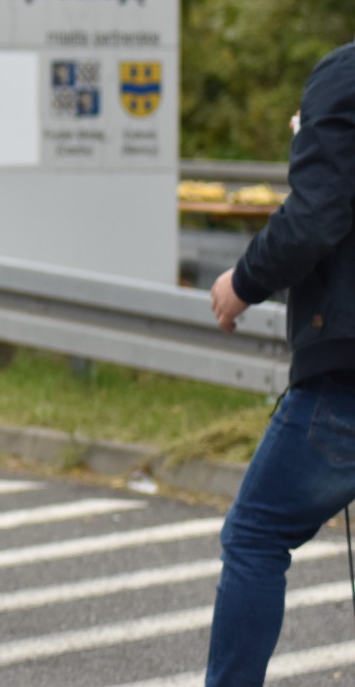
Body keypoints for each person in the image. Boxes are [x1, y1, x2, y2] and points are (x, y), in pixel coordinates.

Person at [205, 39, 355, 686]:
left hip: (345, 376)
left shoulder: (345, 75)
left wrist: (243, 281)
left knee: (256, 535)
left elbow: (315, 215)